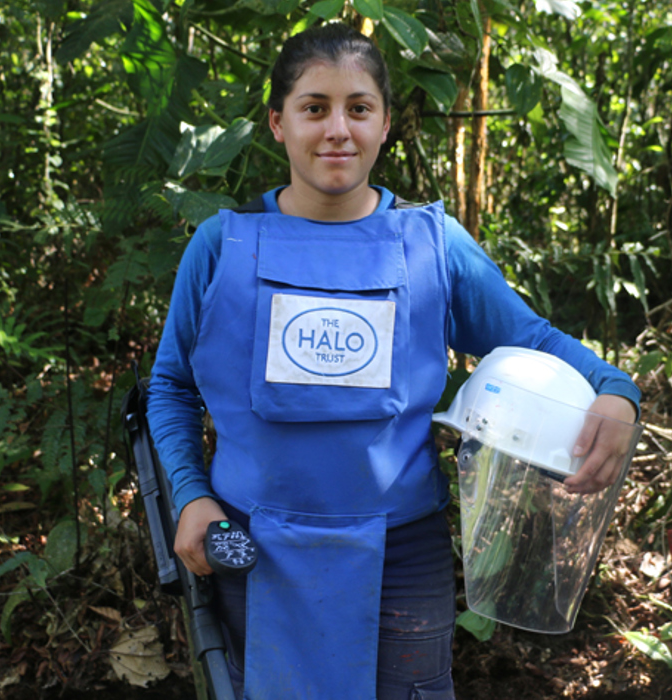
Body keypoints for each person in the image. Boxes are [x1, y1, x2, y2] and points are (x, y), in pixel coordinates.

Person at [146, 22, 641, 700]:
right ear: (278, 123)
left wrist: (615, 389)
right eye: (314, 108)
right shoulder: (222, 245)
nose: (337, 130)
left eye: (359, 108)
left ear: (384, 125)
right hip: (250, 545)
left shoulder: (433, 243)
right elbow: (171, 386)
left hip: (402, 555)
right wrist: (191, 496)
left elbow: (532, 337)